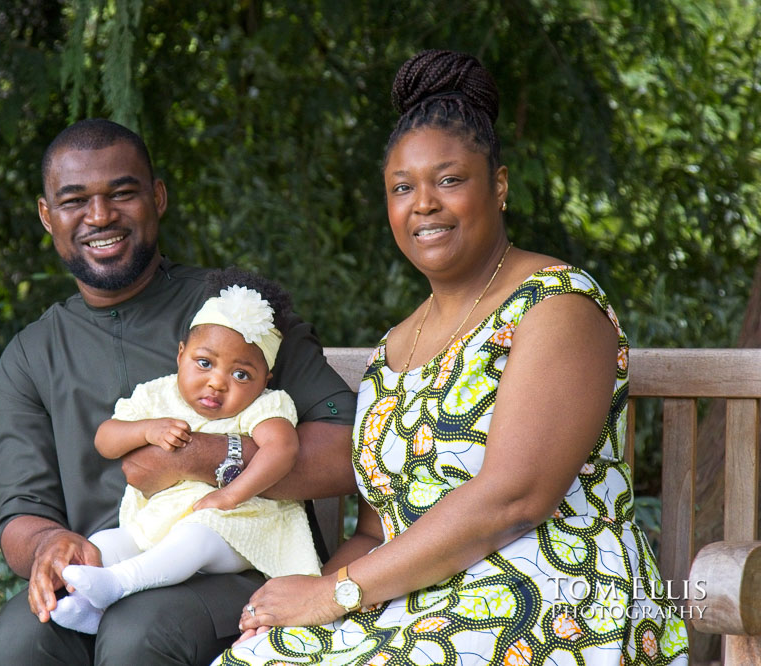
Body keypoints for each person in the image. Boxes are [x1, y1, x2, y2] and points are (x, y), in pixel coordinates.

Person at [217, 49, 689, 665]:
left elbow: (512, 499)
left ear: (498, 184)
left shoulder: (556, 305)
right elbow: (373, 531)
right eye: (402, 188)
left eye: (449, 180)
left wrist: (334, 594)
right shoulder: (394, 348)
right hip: (417, 600)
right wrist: (297, 608)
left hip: (557, 598)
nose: (424, 204)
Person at [0, 118, 357, 665]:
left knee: (139, 632)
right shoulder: (30, 355)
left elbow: (352, 451)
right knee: (21, 639)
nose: (100, 216)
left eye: (122, 193)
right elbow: (22, 511)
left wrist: (201, 459)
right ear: (47, 216)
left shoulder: (235, 315)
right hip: (106, 565)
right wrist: (47, 545)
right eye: (74, 200)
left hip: (237, 561)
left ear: (157, 198)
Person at [50, 269, 322, 634]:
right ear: (181, 355)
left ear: (264, 379)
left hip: (238, 527)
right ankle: (88, 608)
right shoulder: (158, 395)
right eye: (204, 363)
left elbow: (282, 449)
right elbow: (106, 439)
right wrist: (146, 428)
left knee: (195, 536)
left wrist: (230, 496)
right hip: (161, 521)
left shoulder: (263, 406)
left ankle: (119, 585)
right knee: (104, 542)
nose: (217, 382)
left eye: (241, 375)